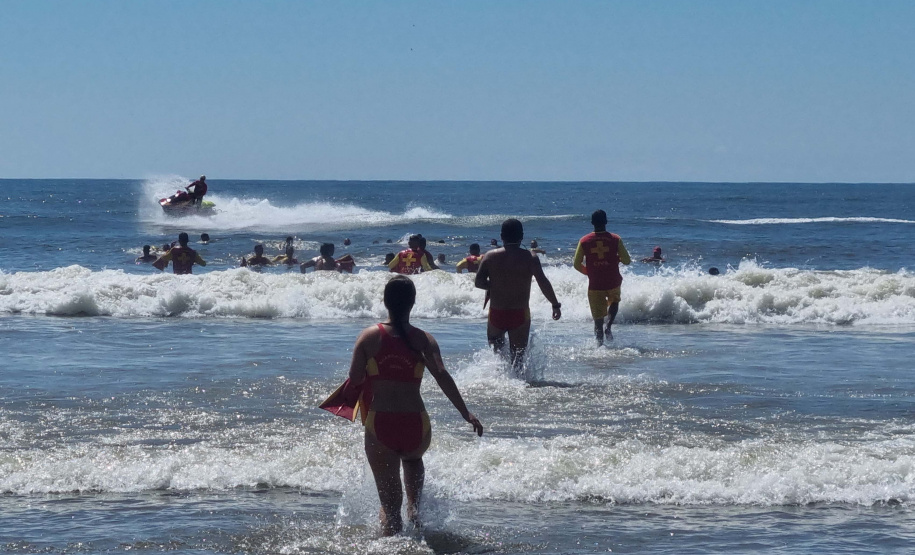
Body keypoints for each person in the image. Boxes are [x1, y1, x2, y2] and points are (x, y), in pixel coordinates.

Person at [345, 276, 483, 535]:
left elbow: (355, 379)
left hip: (381, 425)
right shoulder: (423, 339)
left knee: (388, 508)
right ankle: (416, 518)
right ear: (413, 303)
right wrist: (466, 413)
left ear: (385, 302)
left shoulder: (368, 337)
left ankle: (393, 548)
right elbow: (442, 375)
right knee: (412, 464)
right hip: (416, 425)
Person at [474, 219, 561, 372]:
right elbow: (543, 282)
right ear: (521, 236)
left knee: (498, 359)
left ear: (501, 236)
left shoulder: (489, 256)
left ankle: (500, 387)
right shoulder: (530, 257)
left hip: (496, 313)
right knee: (518, 360)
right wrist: (555, 304)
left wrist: (495, 286)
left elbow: (478, 282)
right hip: (519, 314)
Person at [573, 209, 632, 345]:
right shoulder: (616, 239)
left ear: (592, 223)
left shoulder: (584, 240)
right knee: (615, 302)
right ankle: (609, 326)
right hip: (613, 280)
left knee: (597, 320)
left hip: (595, 284)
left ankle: (599, 348)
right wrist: (617, 259)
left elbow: (576, 264)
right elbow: (627, 260)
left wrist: (589, 272)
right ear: (606, 222)